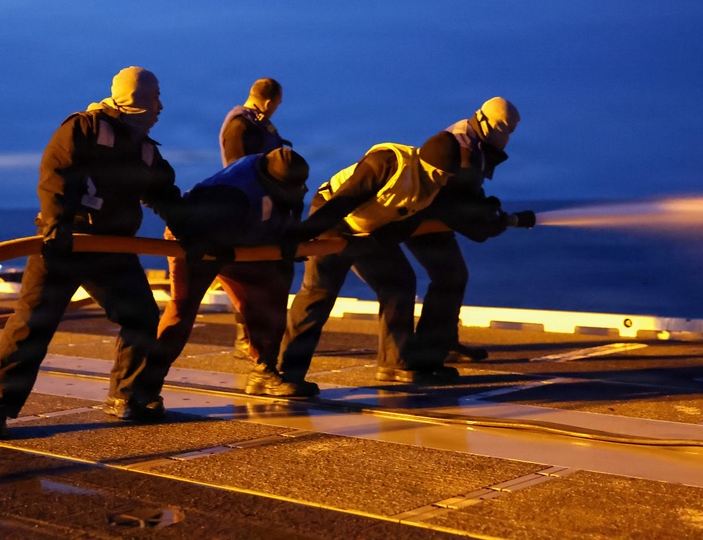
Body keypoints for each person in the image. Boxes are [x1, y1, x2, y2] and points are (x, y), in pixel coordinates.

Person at [0, 66, 184, 440]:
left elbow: (167, 198)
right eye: (155, 98)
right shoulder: (84, 128)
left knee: (141, 317)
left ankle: (128, 397)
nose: (160, 107)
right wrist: (57, 223)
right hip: (65, 243)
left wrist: (195, 232)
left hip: (113, 249)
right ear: (137, 99)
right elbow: (57, 171)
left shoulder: (146, 151)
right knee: (33, 324)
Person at [277, 131, 463, 391]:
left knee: (399, 282)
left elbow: (404, 226)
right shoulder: (387, 162)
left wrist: (372, 243)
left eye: (446, 176)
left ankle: (395, 364)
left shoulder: (434, 186)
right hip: (332, 217)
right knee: (319, 292)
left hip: (370, 229)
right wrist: (300, 239)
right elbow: (343, 202)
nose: (440, 181)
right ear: (423, 163)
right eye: (437, 174)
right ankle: (286, 374)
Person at [144, 148, 315, 398]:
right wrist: (205, 246)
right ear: (272, 183)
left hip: (241, 241)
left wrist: (289, 237)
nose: (302, 190)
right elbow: (190, 225)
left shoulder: (284, 178)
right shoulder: (229, 193)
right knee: (182, 309)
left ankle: (263, 372)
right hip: (196, 239)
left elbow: (291, 208)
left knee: (269, 295)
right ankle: (145, 383)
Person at [405, 97, 535, 366]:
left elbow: (464, 196)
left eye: (511, 132)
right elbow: (456, 208)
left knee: (453, 276)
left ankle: (444, 344)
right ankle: (428, 350)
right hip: (422, 220)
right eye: (504, 130)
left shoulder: (470, 138)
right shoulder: (467, 150)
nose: (507, 138)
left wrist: (486, 211)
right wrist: (492, 224)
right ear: (487, 123)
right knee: (448, 277)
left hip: (432, 216)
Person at [217, 77, 291, 360]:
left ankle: (260, 337)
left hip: (266, 208)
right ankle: (246, 338)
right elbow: (238, 171)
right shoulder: (240, 126)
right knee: (250, 274)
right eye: (277, 105)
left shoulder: (258, 124)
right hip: (249, 211)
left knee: (270, 271)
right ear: (269, 102)